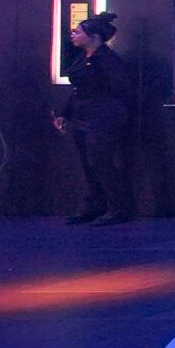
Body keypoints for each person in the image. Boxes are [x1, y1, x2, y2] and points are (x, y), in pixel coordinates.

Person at [55, 13, 132, 225]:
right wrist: (64, 114)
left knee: (100, 162)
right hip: (82, 115)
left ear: (94, 37)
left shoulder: (108, 60)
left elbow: (122, 88)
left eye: (78, 32)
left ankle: (118, 208)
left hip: (104, 116)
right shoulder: (83, 57)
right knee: (88, 165)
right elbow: (78, 90)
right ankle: (94, 206)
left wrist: (111, 110)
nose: (73, 35)